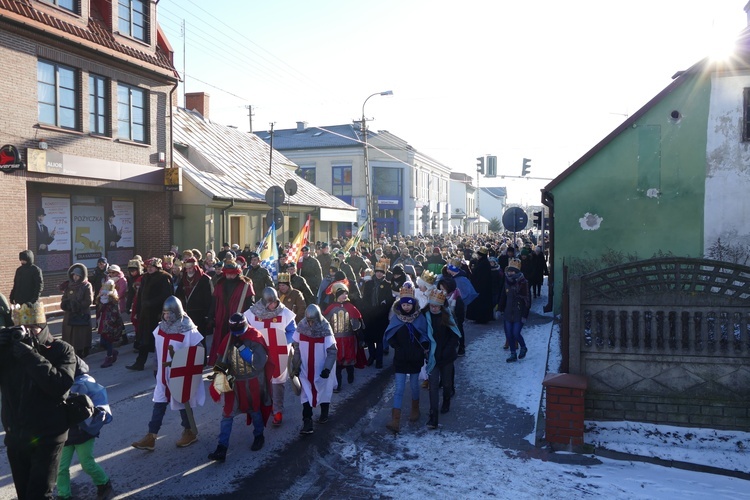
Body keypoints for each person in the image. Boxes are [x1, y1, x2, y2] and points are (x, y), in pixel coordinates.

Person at [0, 306, 76, 499]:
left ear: (42, 327)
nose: (25, 331)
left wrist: (30, 355)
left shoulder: (61, 349)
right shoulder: (9, 350)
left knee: (39, 495)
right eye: (20, 326)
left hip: (48, 436)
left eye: (31, 326)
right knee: (24, 493)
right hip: (17, 435)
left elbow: (59, 386)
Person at [132, 297, 205, 451]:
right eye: (164, 313)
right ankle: (151, 436)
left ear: (176, 313)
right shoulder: (160, 329)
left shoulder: (189, 330)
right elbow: (158, 351)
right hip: (162, 374)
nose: (165, 316)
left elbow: (198, 353)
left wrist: (188, 375)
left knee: (182, 401)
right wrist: (156, 368)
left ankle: (189, 431)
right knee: (159, 403)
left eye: (169, 313)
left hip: (180, 374)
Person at [207, 313, 273, 460]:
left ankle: (259, 436)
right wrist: (220, 374)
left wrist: (243, 349)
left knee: (255, 410)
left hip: (252, 381)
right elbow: (222, 358)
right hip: (235, 382)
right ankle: (221, 448)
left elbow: (259, 363)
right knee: (227, 414)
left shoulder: (255, 337)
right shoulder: (229, 338)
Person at [56, 357, 113, 500]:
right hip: (65, 432)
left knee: (87, 464)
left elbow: (101, 405)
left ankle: (104, 483)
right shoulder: (58, 381)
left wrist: (94, 414)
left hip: (83, 433)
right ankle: (64, 495)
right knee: (60, 468)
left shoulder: (86, 383)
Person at [244, 287, 296, 427]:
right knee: (261, 381)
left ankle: (278, 410)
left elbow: (292, 331)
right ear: (265, 302)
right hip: (260, 353)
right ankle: (264, 408)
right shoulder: (252, 314)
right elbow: (246, 332)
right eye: (271, 303)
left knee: (278, 381)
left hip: (279, 351)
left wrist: (283, 340)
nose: (275, 306)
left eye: (276, 302)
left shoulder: (284, 313)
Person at [383, 283, 429, 433]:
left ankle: (415, 408)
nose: (407, 307)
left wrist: (422, 344)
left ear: (413, 304)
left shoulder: (419, 318)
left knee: (415, 385)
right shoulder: (396, 318)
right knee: (400, 388)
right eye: (404, 304)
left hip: (415, 358)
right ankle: (395, 419)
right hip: (401, 358)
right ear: (400, 304)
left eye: (409, 304)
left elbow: (424, 334)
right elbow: (390, 334)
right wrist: (395, 345)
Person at [290, 305, 337, 435]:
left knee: (323, 392)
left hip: (321, 370)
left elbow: (332, 351)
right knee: (305, 395)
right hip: (305, 369)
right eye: (308, 321)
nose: (310, 324)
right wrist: (296, 365)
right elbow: (297, 347)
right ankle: (307, 422)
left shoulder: (325, 328)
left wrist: (327, 369)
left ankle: (324, 413)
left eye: (312, 321)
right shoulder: (301, 326)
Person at [423, 290, 461, 429]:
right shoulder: (424, 316)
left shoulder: (447, 317)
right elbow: (422, 334)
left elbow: (454, 336)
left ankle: (446, 400)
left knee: (446, 383)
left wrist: (446, 352)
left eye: (436, 306)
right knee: (432, 387)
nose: (434, 308)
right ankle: (433, 416)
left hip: (446, 357)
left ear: (441, 306)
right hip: (432, 357)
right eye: (432, 305)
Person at [127, 258, 173, 371]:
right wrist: (138, 311)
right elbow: (140, 296)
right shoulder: (145, 277)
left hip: (158, 314)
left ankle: (163, 364)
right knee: (143, 340)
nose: (150, 268)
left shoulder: (164, 277)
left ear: (157, 267)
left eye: (152, 266)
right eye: (148, 267)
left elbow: (166, 296)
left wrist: (152, 304)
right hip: (145, 314)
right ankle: (139, 363)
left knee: (159, 341)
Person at [207, 259, 254, 366]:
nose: (230, 276)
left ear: (237, 273)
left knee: (237, 342)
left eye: (232, 274)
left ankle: (237, 365)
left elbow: (249, 303)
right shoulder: (220, 284)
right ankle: (220, 366)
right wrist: (210, 316)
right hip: (222, 317)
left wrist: (247, 319)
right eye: (228, 274)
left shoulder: (245, 284)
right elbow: (214, 301)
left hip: (237, 318)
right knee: (221, 341)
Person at [323, 284, 363, 392]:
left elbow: (358, 324)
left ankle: (351, 374)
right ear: (336, 295)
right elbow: (325, 323)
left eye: (346, 293)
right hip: (335, 340)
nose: (344, 296)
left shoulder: (351, 307)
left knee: (349, 361)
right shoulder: (331, 308)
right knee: (337, 364)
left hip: (348, 339)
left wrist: (355, 324)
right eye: (342, 294)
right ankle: (338, 385)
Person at [360, 261, 394, 368]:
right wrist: (367, 309)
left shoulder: (387, 285)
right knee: (369, 338)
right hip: (369, 315)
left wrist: (382, 307)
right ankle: (371, 356)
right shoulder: (369, 284)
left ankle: (379, 359)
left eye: (381, 272)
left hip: (381, 316)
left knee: (379, 339)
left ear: (384, 273)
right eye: (377, 272)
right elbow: (365, 298)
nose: (379, 274)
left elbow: (389, 300)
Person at [175, 257, 213, 353]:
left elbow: (209, 299)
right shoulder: (184, 279)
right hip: (186, 314)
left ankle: (201, 361)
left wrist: (208, 315)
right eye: (187, 268)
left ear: (195, 267)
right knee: (186, 339)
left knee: (199, 338)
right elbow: (178, 296)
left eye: (190, 268)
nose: (188, 270)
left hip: (200, 314)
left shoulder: (204, 279)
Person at [498, 259, 530, 363]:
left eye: (512, 271)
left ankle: (523, 347)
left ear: (516, 272)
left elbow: (527, 300)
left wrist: (525, 314)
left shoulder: (523, 282)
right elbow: (503, 296)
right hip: (508, 311)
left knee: (516, 333)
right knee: (509, 334)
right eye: (509, 271)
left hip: (518, 312)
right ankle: (513, 354)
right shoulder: (506, 281)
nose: (510, 273)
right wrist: (499, 309)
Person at [60, 263, 94, 358]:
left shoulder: (86, 285)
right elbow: (64, 297)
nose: (75, 277)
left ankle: (81, 350)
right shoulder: (68, 285)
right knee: (68, 334)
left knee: (80, 336)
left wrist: (77, 305)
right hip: (69, 314)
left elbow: (89, 300)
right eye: (74, 275)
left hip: (81, 314)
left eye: (78, 275)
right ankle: (69, 351)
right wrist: (66, 304)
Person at [96, 279, 124, 368]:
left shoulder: (113, 303)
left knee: (108, 342)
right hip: (102, 325)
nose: (104, 296)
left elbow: (116, 314)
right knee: (102, 343)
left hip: (111, 326)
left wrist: (111, 323)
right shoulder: (102, 302)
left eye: (106, 294)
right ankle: (112, 352)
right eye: (102, 294)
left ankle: (109, 358)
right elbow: (99, 312)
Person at [466, 247, 494, 324]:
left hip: (481, 287)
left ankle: (481, 318)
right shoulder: (482, 262)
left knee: (481, 303)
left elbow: (479, 275)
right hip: (481, 286)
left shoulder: (484, 263)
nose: (478, 256)